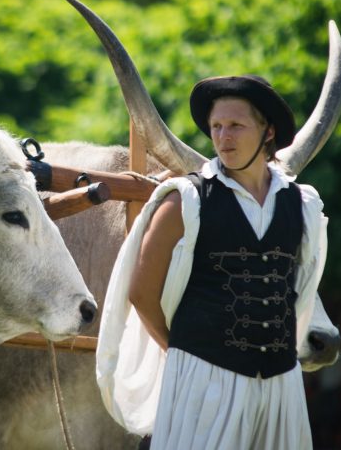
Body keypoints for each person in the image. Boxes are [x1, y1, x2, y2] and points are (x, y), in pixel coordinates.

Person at [95, 75, 328, 449]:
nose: (223, 137)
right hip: (205, 385)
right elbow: (140, 292)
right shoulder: (185, 199)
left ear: (268, 132)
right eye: (216, 127)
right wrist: (183, 353)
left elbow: (300, 286)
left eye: (236, 126)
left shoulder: (302, 204)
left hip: (282, 384)